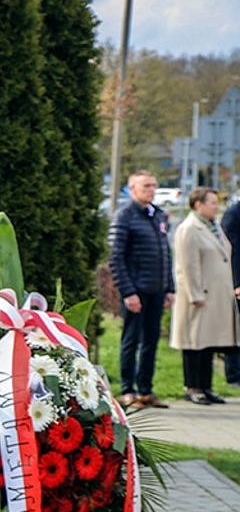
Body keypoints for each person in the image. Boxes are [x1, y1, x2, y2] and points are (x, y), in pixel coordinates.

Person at [109, 171, 174, 409]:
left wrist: (169, 288)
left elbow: (165, 253)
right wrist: (128, 292)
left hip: (156, 289)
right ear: (132, 188)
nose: (152, 190)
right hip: (135, 290)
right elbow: (115, 257)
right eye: (146, 186)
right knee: (131, 340)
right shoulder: (124, 216)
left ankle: (146, 390)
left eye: (154, 186)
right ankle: (128, 390)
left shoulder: (157, 215)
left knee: (151, 341)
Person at [172, 188, 240, 404]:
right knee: (194, 343)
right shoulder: (190, 229)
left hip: (216, 295)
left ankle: (206, 386)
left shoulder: (213, 227)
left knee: (208, 343)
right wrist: (195, 294)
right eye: (211, 202)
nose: (216, 206)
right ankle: (193, 387)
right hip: (199, 296)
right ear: (198, 204)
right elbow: (187, 265)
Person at [221, 195, 240, 388]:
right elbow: (232, 252)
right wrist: (236, 282)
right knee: (235, 329)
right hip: (237, 281)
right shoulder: (233, 214)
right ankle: (234, 374)